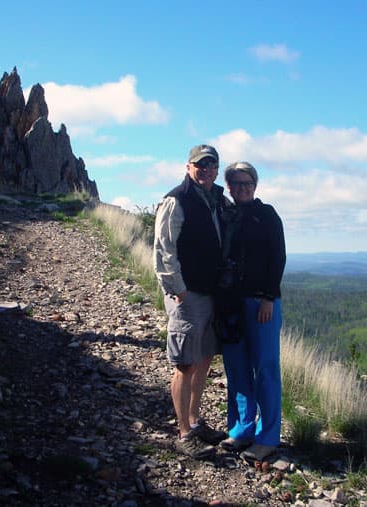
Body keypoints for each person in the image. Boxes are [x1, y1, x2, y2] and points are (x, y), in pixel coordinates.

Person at [153, 144, 229, 459]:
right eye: (201, 165)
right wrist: (177, 289)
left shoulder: (216, 201)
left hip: (210, 291)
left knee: (204, 357)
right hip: (188, 294)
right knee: (185, 363)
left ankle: (196, 422)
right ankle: (184, 432)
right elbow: (163, 248)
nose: (207, 169)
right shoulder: (176, 200)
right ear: (188, 167)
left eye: (212, 165)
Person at [218, 161, 286, 462]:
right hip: (230, 303)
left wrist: (269, 297)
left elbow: (278, 257)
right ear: (229, 186)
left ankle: (268, 437)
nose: (243, 187)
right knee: (236, 368)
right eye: (237, 183)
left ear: (255, 186)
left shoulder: (267, 214)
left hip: (261, 303)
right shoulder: (225, 214)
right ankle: (241, 430)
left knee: (266, 369)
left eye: (248, 183)